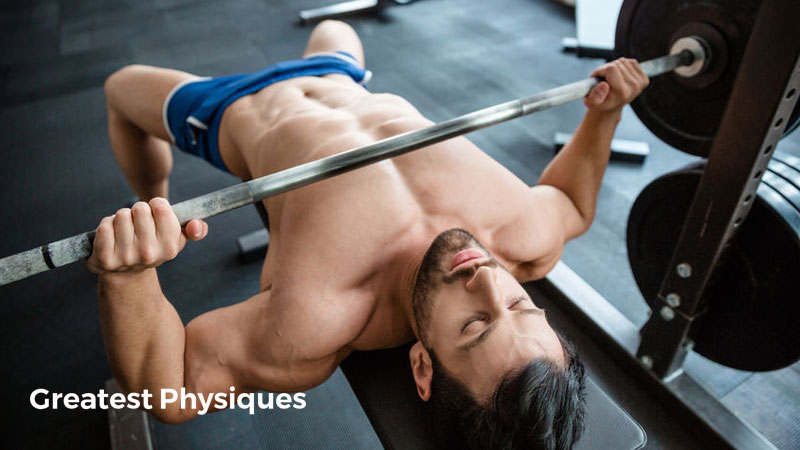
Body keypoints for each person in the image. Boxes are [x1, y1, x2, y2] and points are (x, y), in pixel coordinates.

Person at [90, 20, 648, 449]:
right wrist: (605, 116)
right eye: (522, 305)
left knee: (118, 89)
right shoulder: (524, 235)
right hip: (339, 74)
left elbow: (171, 391)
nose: (485, 279)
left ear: (422, 367)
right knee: (337, 26)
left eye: (475, 324)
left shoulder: (321, 316)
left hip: (232, 107)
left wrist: (131, 274)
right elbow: (572, 204)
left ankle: (148, 199)